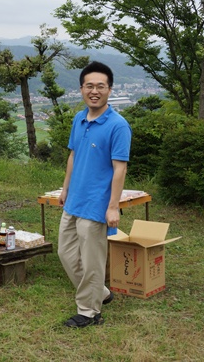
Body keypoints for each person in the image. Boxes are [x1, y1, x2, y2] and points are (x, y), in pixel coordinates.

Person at [57, 61, 132, 328]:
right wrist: (65, 189)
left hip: (97, 204)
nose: (95, 91)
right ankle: (100, 292)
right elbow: (73, 156)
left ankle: (90, 312)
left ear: (110, 90)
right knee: (65, 253)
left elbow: (119, 168)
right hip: (74, 200)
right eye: (90, 85)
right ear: (81, 89)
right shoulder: (79, 119)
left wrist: (113, 206)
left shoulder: (118, 126)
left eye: (101, 86)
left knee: (92, 261)